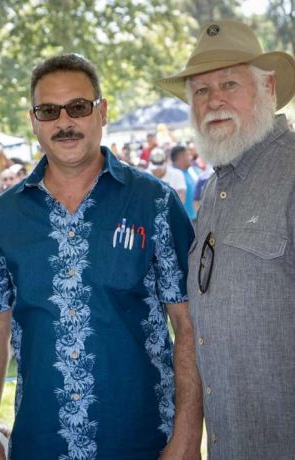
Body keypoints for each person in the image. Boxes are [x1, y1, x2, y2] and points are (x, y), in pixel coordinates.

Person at [0, 53, 202, 460]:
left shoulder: (154, 202)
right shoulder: (3, 216)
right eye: (48, 111)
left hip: (143, 439)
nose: (64, 122)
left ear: (102, 111)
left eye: (78, 107)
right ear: (33, 121)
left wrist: (186, 435)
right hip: (41, 442)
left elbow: (188, 326)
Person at [157, 19, 295, 459]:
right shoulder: (214, 190)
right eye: (200, 90)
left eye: (229, 83)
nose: (214, 100)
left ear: (268, 87)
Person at [170, 145, 198, 221]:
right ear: (181, 157)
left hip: (193, 218)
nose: (190, 158)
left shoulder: (189, 171)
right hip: (183, 220)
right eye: (187, 155)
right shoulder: (173, 175)